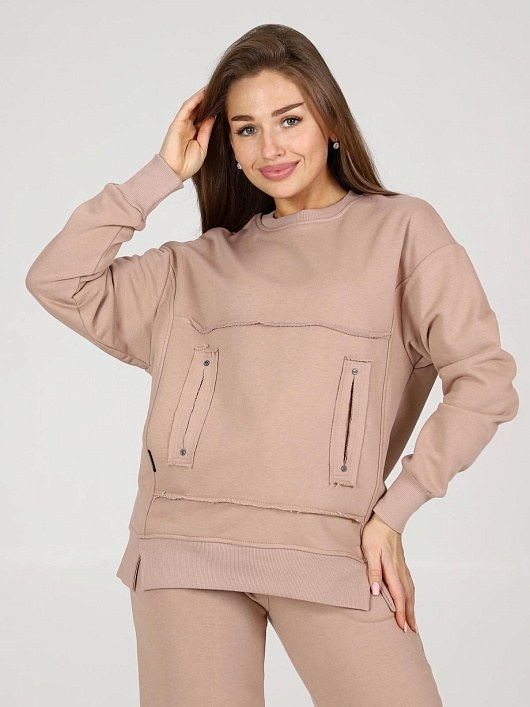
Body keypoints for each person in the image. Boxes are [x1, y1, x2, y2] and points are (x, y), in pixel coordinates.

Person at [25, 23, 518, 707]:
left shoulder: (404, 232)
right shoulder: (199, 266)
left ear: (330, 121)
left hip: (330, 549)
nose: (271, 148)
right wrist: (161, 173)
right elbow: (57, 279)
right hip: (185, 549)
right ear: (225, 143)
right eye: (247, 129)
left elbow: (485, 381)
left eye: (289, 119)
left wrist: (395, 511)